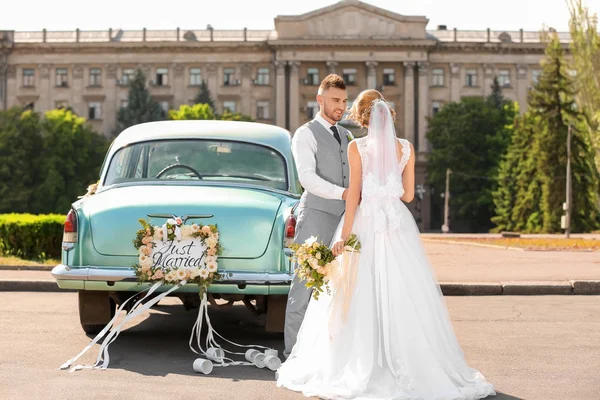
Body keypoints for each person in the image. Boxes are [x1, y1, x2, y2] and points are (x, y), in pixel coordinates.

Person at [276, 89, 496, 400]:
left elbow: (353, 196)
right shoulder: (406, 148)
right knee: (404, 290)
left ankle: (359, 360)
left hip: (366, 221)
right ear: (388, 116)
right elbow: (408, 195)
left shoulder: (358, 148)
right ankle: (413, 363)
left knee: (355, 291)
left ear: (362, 118)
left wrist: (342, 235)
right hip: (396, 223)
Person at [283, 74, 353, 359]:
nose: (342, 106)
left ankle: (327, 353)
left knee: (339, 287)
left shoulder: (347, 134)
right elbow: (307, 179)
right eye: (336, 100)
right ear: (320, 99)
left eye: (345, 101)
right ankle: (293, 354)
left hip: (344, 221)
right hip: (315, 216)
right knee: (305, 285)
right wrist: (344, 194)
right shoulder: (305, 133)